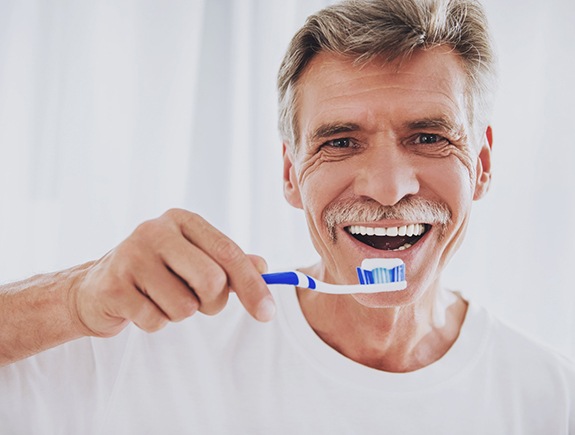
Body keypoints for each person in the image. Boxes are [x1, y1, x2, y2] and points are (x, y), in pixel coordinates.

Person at [1, 0, 574, 433]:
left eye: (428, 137)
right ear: (290, 172)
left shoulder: (549, 398)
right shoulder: (152, 342)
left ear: (482, 163)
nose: (387, 187)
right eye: (341, 142)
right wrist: (73, 299)